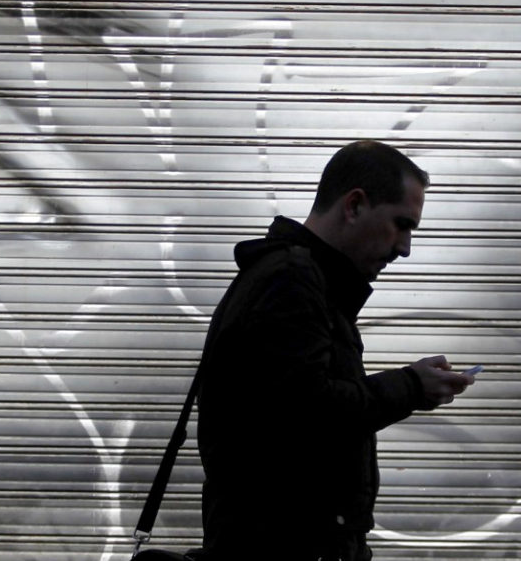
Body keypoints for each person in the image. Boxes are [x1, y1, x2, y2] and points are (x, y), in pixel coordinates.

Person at [195, 139, 476, 560]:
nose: (405, 248)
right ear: (355, 205)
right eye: (402, 224)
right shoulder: (290, 281)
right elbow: (308, 414)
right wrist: (411, 386)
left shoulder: (310, 283)